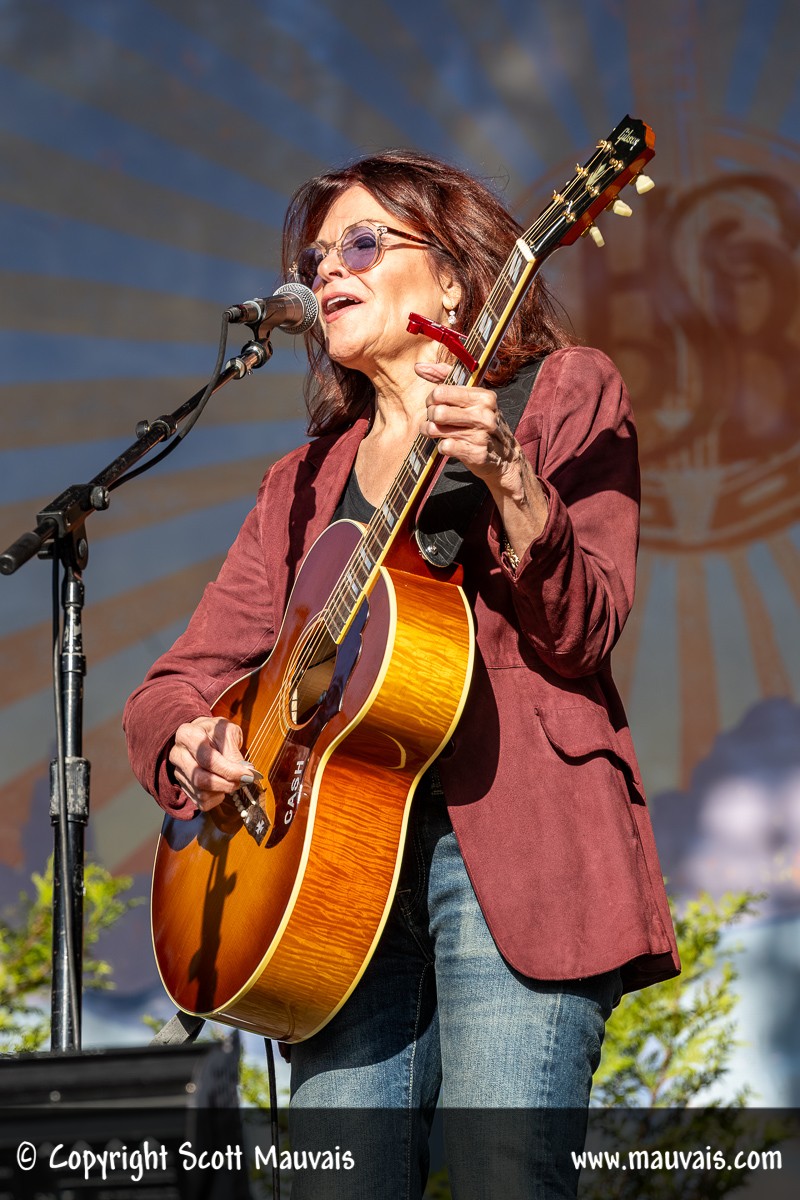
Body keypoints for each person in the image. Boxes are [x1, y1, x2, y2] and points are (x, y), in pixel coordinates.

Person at [124, 149, 680, 1198]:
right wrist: (189, 739)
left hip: (514, 855)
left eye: (363, 243)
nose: (327, 269)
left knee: (504, 1177)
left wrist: (510, 478)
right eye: (315, 258)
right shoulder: (302, 483)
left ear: (458, 280)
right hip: (325, 891)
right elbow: (173, 684)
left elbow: (586, 629)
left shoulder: (558, 392)